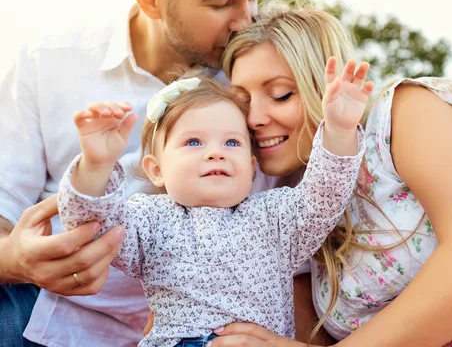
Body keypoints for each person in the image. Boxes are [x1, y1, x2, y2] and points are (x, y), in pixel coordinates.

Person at [200, 4, 452, 346]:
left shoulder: (398, 118)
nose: (254, 118)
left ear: (324, 85)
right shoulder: (293, 226)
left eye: (281, 94)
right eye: (243, 101)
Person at [0, 0, 263, 345]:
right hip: (39, 306)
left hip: (196, 329)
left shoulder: (256, 82)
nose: (246, 21)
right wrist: (16, 260)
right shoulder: (48, 62)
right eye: (222, 2)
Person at [58, 69, 370, 346]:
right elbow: (91, 227)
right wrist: (96, 166)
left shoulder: (275, 217)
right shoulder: (149, 218)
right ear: (156, 170)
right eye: (194, 142)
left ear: (251, 168)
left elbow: (323, 196)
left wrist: (340, 129)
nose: (215, 153)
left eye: (231, 143)